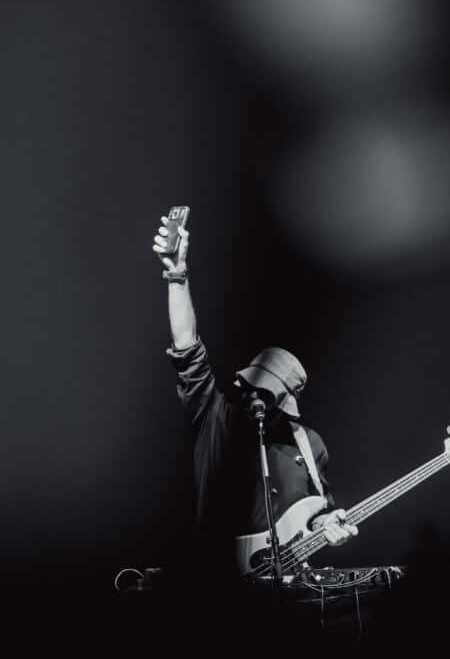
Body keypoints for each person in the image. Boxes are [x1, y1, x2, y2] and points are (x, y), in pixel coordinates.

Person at [152, 211, 357, 580]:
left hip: (287, 591)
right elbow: (186, 347)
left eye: (267, 394)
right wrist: (177, 275)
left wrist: (328, 524)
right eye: (251, 387)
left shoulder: (309, 444)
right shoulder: (216, 417)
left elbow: (320, 511)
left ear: (285, 402)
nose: (254, 399)